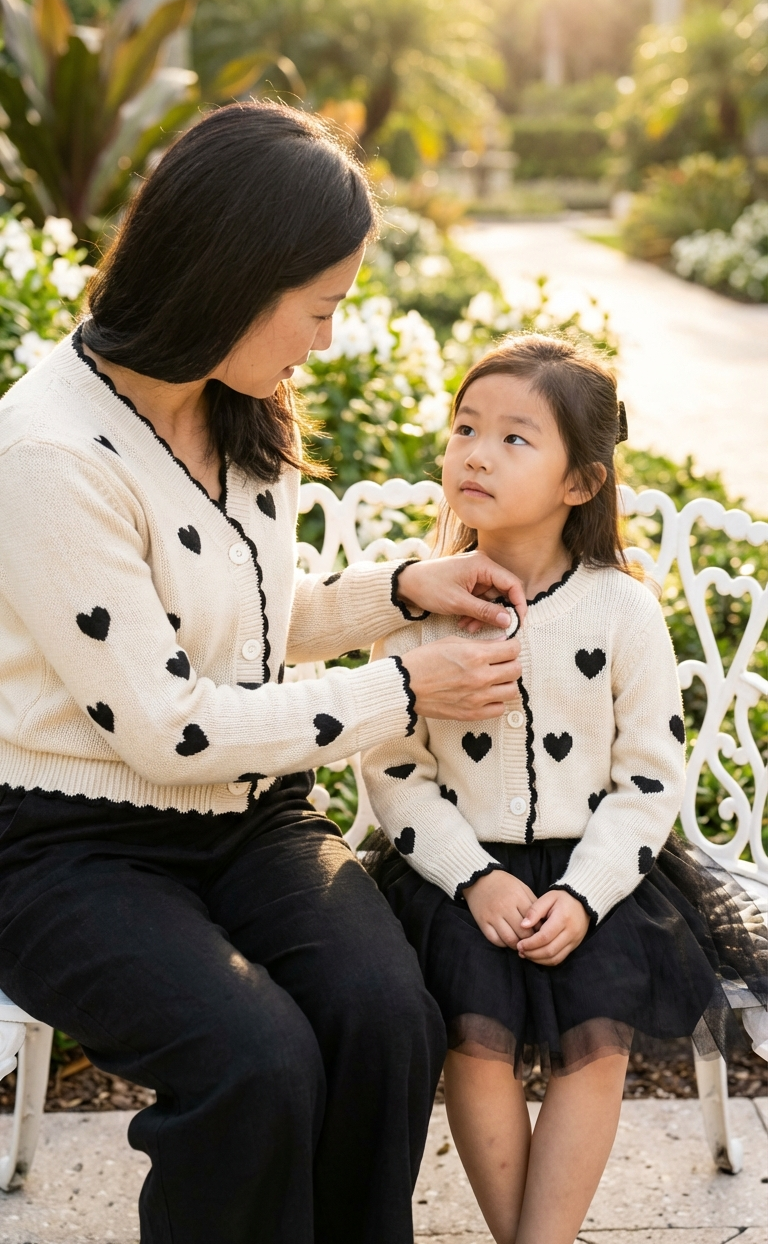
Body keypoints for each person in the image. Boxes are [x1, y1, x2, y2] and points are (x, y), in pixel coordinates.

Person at [0, 101, 533, 1244]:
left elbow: (232, 626)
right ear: (230, 279)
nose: (327, 339)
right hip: (68, 843)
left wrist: (395, 591)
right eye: (320, 307)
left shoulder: (234, 402)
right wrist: (402, 692)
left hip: (250, 819)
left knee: (389, 1016)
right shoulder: (46, 454)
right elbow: (166, 725)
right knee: (258, 1064)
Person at [363, 334, 768, 1244]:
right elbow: (396, 774)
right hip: (455, 869)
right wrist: (476, 878)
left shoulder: (620, 608)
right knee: (474, 1030)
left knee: (596, 1035)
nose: (474, 450)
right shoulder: (420, 609)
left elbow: (650, 775)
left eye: (514, 438)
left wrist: (584, 893)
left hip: (603, 872)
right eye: (465, 427)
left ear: (578, 483)